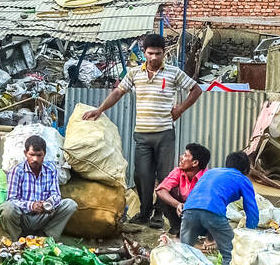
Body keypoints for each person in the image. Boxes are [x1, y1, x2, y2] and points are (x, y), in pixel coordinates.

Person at [81, 33, 202, 229]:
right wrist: (99, 109)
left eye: (158, 53)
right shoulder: (134, 73)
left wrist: (180, 108)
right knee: (142, 175)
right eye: (150, 53)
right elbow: (118, 92)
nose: (154, 57)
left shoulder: (173, 73)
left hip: (165, 134)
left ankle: (158, 213)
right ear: (144, 53)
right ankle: (144, 212)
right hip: (142, 135)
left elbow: (196, 90)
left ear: (164, 53)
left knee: (164, 176)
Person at [181, 151, 259, 265]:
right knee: (229, 254)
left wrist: (211, 234)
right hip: (213, 212)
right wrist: (250, 234)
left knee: (185, 254)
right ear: (245, 170)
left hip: (189, 210)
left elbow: (201, 198)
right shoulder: (243, 179)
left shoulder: (211, 173)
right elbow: (252, 210)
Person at [0, 135, 77, 241]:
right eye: (31, 155)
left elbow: (56, 195)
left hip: (43, 215)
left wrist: (46, 204)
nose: (35, 159)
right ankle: (17, 241)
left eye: (39, 155)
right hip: (24, 217)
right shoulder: (16, 171)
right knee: (7, 208)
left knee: (70, 204)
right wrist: (31, 205)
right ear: (25, 153)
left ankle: (46, 238)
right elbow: (12, 199)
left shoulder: (51, 169)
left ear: (44, 154)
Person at [155, 143, 211, 236]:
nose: (181, 157)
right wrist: (178, 204)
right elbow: (160, 190)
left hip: (198, 213)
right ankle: (177, 227)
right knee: (164, 195)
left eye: (185, 155)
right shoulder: (178, 171)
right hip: (182, 209)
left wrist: (188, 206)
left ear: (195, 163)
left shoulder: (206, 177)